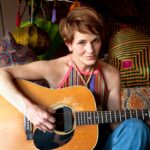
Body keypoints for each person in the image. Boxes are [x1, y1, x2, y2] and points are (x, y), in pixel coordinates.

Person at [0, 6, 149, 150]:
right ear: (69, 44)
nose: (90, 50)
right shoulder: (55, 68)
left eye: (95, 41)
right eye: (82, 43)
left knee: (137, 127)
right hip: (65, 146)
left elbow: (115, 124)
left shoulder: (111, 75)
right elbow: (2, 74)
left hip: (99, 143)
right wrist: (28, 108)